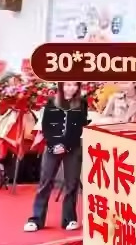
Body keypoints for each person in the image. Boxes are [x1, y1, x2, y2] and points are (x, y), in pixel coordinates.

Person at [24, 81, 89, 232]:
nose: (71, 88)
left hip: (73, 147)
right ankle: (36, 219)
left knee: (71, 184)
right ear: (61, 86)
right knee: (45, 182)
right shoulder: (52, 102)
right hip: (52, 147)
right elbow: (46, 126)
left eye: (74, 85)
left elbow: (80, 127)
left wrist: (66, 145)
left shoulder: (82, 103)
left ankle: (69, 219)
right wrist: (54, 145)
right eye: (67, 85)